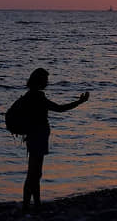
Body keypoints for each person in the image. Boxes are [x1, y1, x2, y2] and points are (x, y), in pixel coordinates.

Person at [21, 68, 89, 212]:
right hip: (37, 138)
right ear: (40, 81)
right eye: (45, 80)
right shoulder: (37, 97)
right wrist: (79, 102)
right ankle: (28, 205)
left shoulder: (30, 95)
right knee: (34, 173)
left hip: (34, 137)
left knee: (35, 173)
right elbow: (59, 108)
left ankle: (33, 204)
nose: (47, 82)